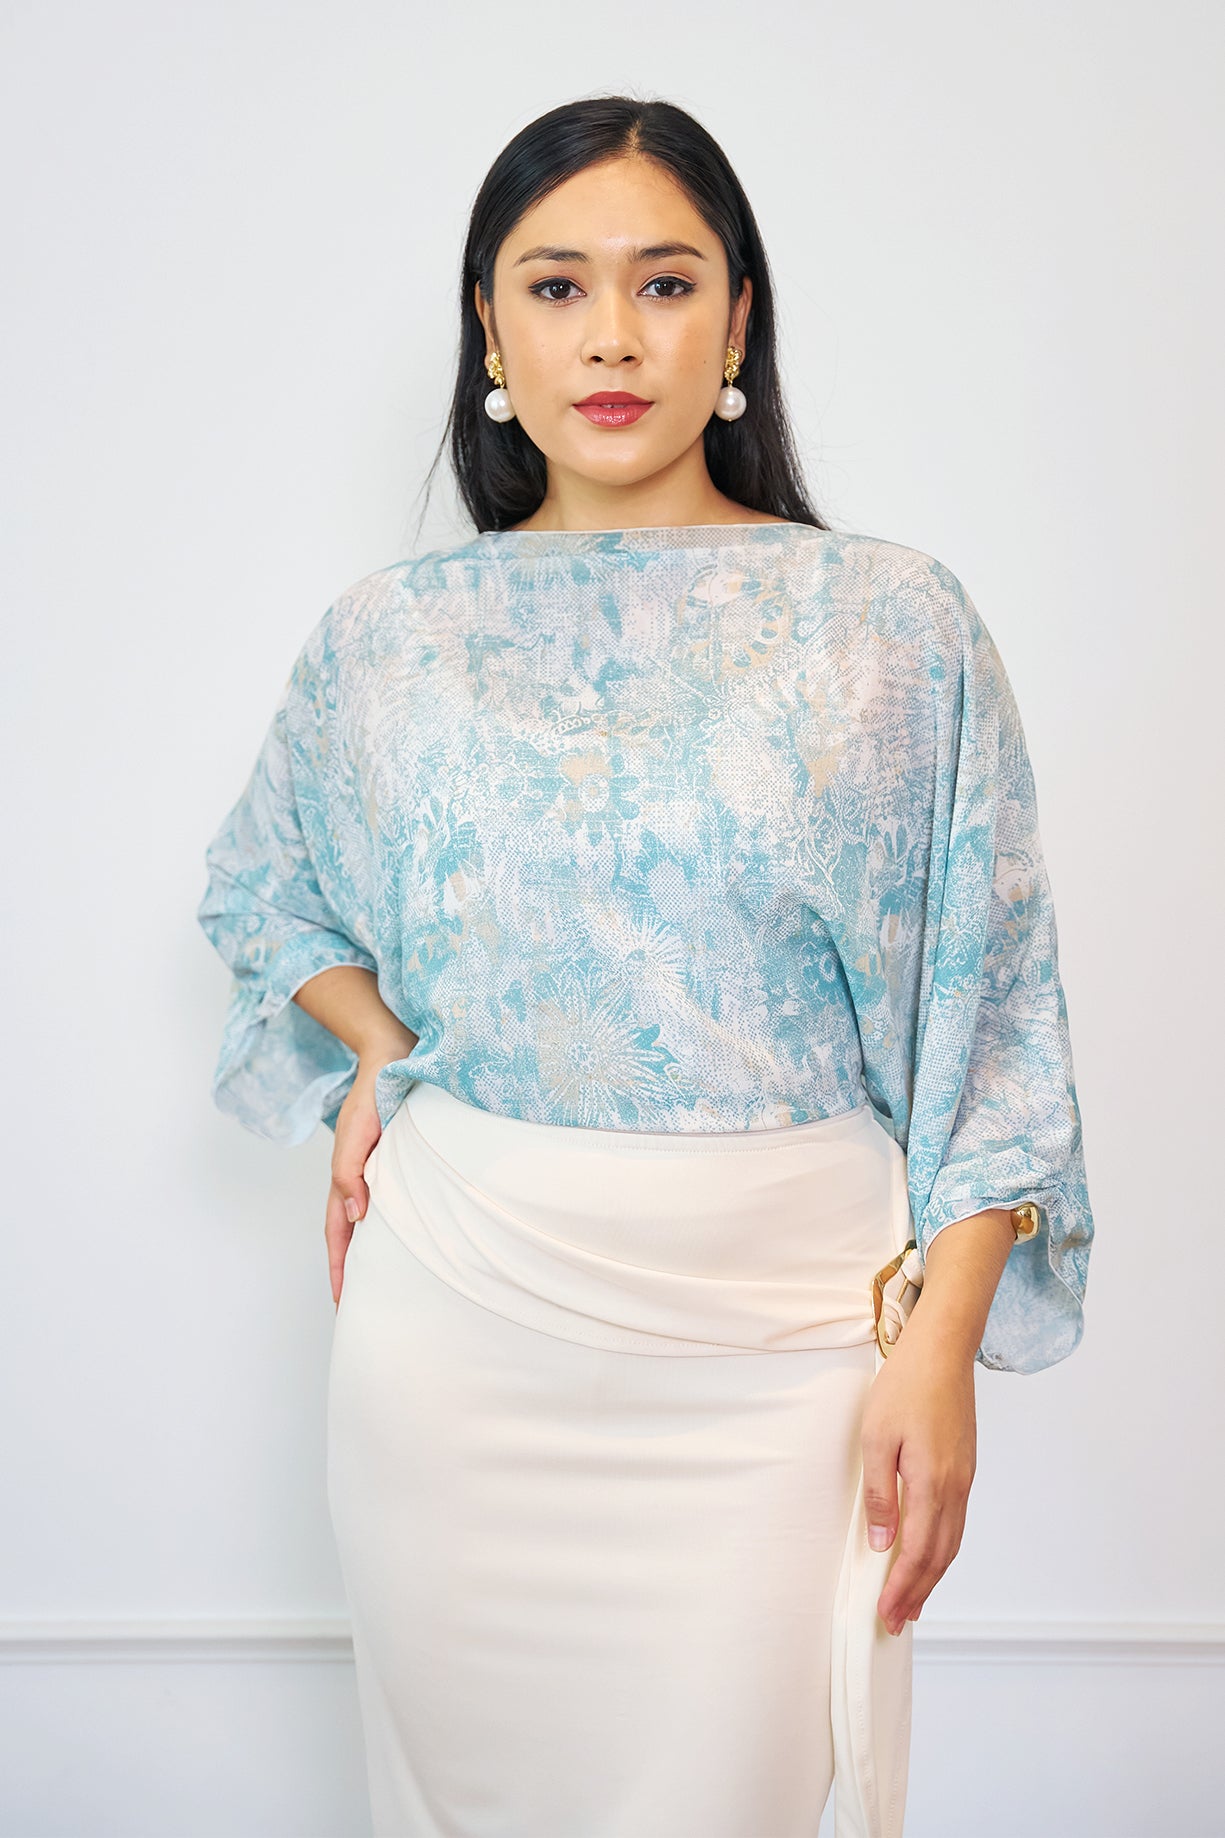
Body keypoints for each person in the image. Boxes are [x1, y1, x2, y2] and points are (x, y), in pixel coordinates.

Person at [196, 95, 1094, 1838]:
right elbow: (262, 890)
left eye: (665, 283)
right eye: (555, 287)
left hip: (784, 1342)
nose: (611, 335)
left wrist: (938, 1348)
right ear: (489, 332)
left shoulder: (890, 622)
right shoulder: (389, 638)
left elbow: (993, 1025)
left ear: (737, 322)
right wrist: (379, 1046)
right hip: (458, 1327)